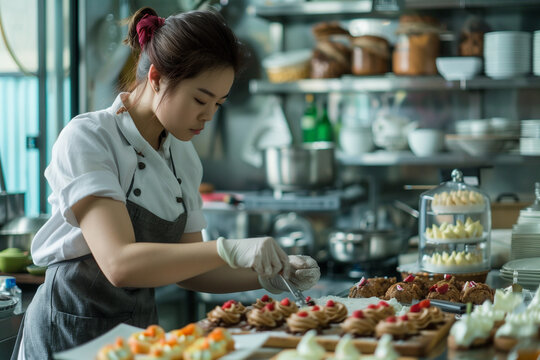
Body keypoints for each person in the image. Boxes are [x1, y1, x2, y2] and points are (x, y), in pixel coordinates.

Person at [12, 7, 320, 360]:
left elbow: (193, 273)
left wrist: (271, 276)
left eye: (218, 104)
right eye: (200, 99)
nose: (208, 115)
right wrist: (228, 247)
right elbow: (119, 264)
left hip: (139, 337)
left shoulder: (183, 156)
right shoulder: (90, 138)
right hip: (70, 332)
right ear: (157, 77)